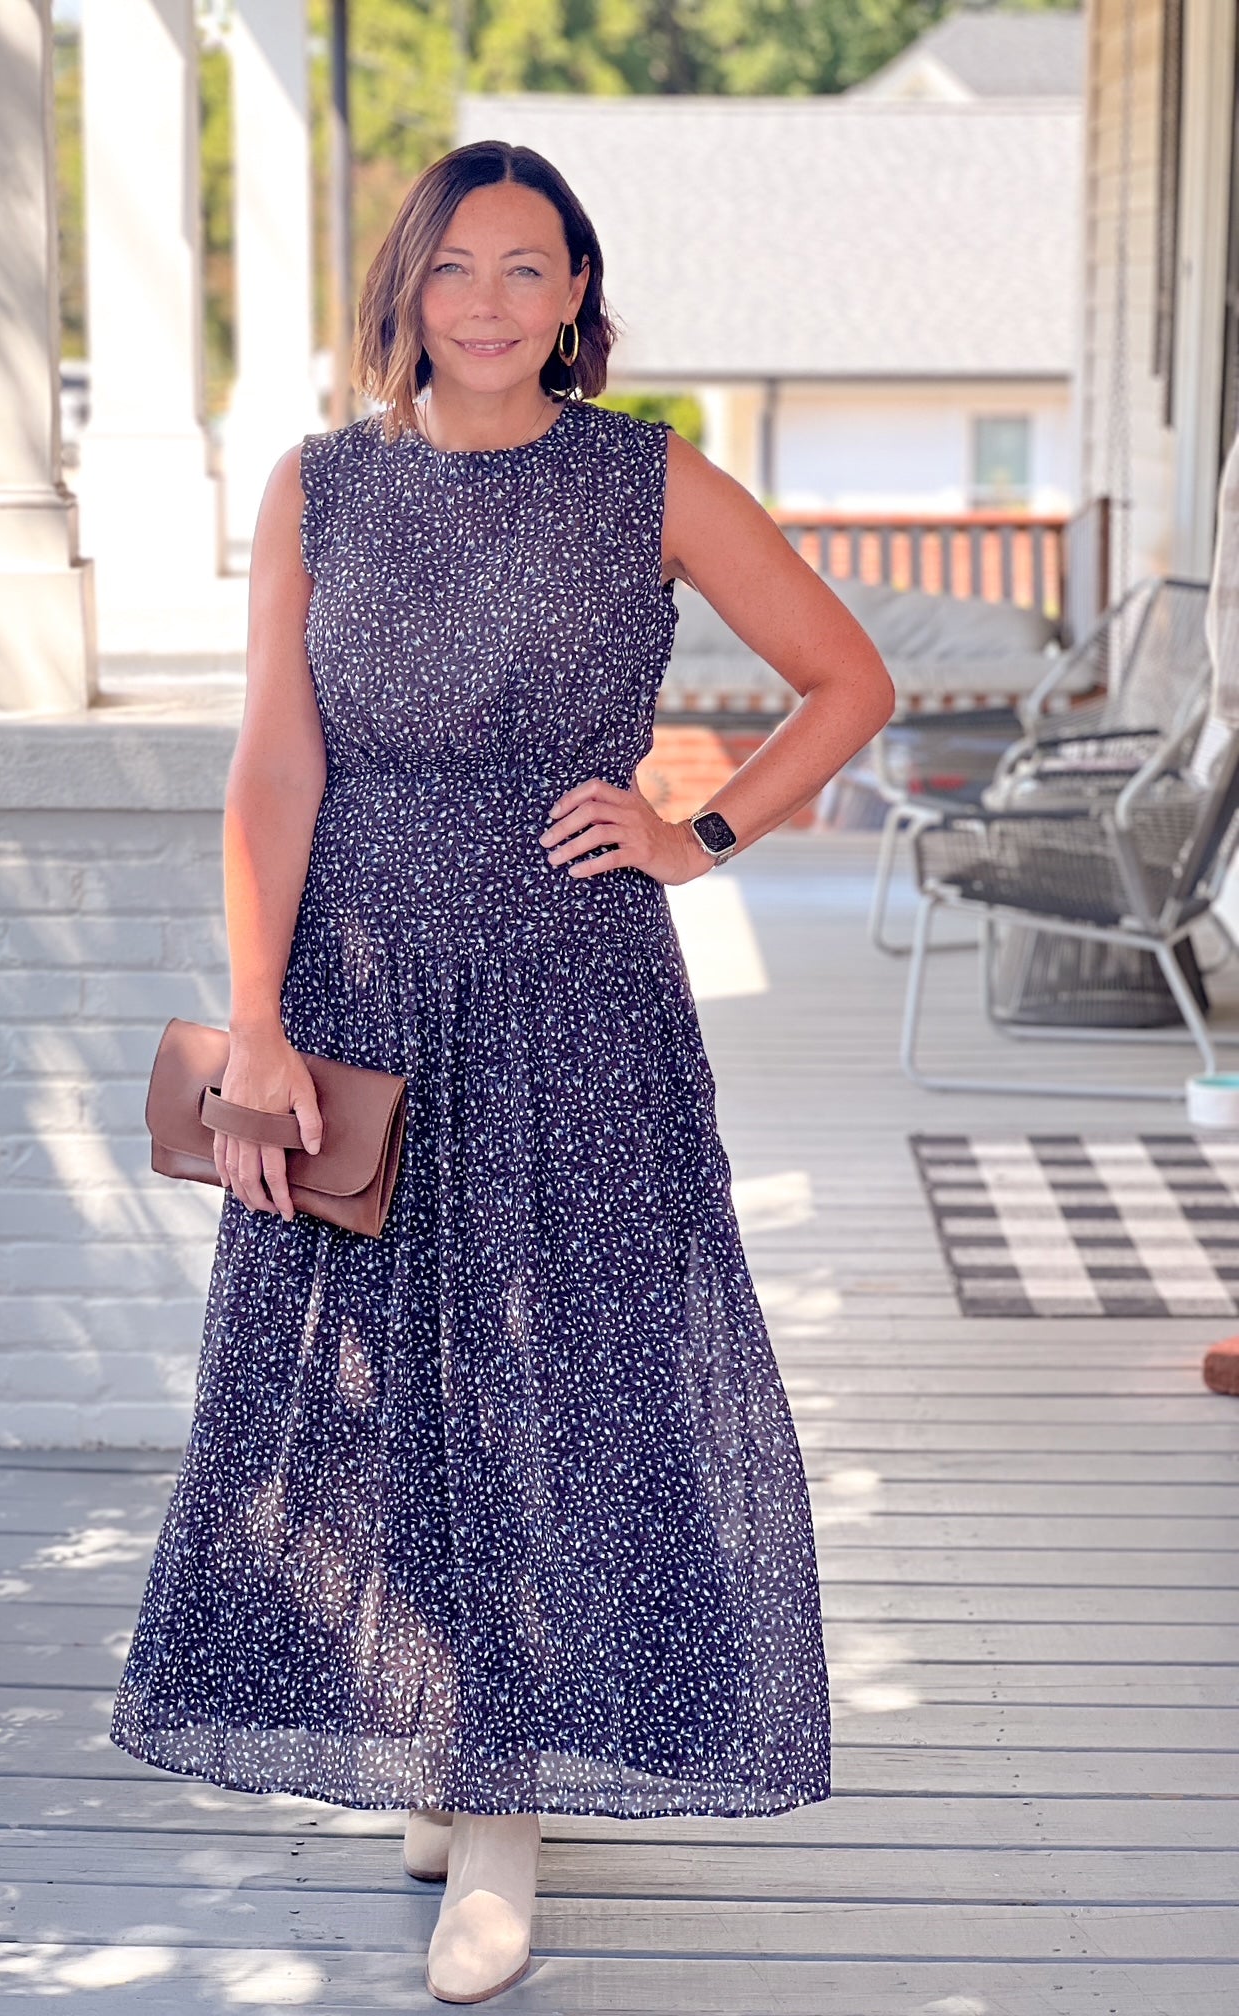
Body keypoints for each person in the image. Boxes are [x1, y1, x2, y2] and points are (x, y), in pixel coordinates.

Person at [111, 138, 896, 2005]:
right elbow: (275, 771)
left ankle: (504, 1813)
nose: (485, 302)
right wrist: (264, 1018)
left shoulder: (649, 479)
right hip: (360, 980)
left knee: (558, 1366)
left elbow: (847, 682)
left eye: (525, 270)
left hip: (574, 989)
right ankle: (446, 1738)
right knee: (379, 1384)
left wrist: (697, 834)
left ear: (576, 298)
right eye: (454, 267)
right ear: (406, 290)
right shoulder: (318, 489)